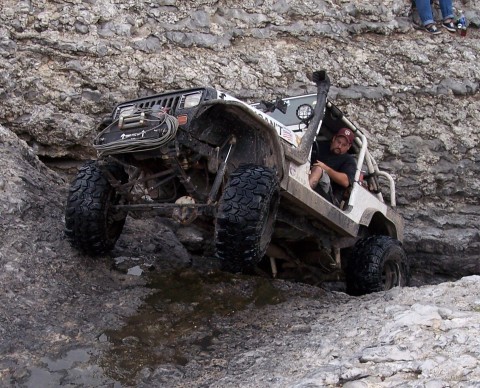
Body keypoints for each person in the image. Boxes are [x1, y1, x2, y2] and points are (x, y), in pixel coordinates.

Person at [309, 127, 357, 206]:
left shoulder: (349, 161)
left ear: (348, 147)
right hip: (307, 173)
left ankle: (305, 190)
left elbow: (346, 181)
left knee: (318, 169)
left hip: (330, 197)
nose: (340, 146)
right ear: (334, 138)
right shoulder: (321, 146)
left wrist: (325, 168)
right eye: (338, 142)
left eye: (344, 145)